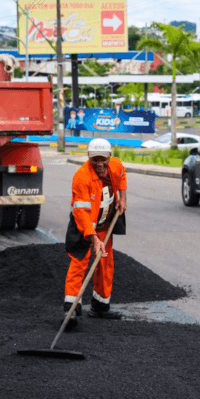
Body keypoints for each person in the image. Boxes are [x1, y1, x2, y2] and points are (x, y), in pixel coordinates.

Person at [63, 138, 127, 330]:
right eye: (94, 160)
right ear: (88, 157)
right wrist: (93, 238)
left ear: (110, 156)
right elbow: (80, 213)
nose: (99, 164)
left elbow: (122, 176)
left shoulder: (115, 165)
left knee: (106, 265)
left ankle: (100, 307)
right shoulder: (81, 177)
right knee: (79, 264)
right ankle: (70, 310)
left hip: (105, 225)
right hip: (84, 228)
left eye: (103, 159)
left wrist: (122, 198)